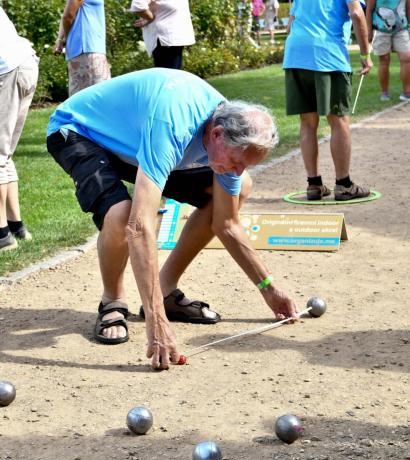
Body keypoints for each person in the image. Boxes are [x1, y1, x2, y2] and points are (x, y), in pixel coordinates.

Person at [46, 68, 299, 370]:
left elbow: (226, 223)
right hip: (80, 131)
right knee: (121, 213)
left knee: (237, 190)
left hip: (132, 142)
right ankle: (112, 301)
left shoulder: (226, 134)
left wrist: (269, 289)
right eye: (236, 162)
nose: (236, 171)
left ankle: (164, 290)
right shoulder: (174, 123)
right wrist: (157, 324)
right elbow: (139, 228)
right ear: (216, 134)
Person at [283, 0, 373, 201]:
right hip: (328, 56)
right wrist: (365, 54)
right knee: (338, 121)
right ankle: (344, 185)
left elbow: (290, 24)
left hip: (295, 54)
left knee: (307, 123)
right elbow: (357, 15)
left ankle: (313, 185)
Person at [0, 7, 38, 252]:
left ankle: (2, 235)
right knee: (5, 153)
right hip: (24, 63)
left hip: (6, 69)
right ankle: (17, 227)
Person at [54, 0, 111, 96]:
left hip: (87, 49)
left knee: (92, 99)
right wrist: (61, 39)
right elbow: (68, 15)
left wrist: (61, 39)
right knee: (97, 99)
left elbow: (67, 15)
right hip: (86, 50)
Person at [128, 0, 195, 69]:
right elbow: (138, 5)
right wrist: (150, 18)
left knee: (172, 75)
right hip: (165, 41)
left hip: (173, 39)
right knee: (168, 77)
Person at [366, 0, 410, 102]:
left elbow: (408, 8)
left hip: (401, 28)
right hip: (380, 29)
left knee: (407, 57)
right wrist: (368, 30)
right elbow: (369, 10)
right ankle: (384, 93)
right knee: (384, 60)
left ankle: (407, 92)